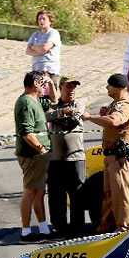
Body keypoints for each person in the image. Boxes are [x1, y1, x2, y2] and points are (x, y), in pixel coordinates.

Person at [81, 74, 129, 233]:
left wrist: (91, 117)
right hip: (112, 157)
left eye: (110, 85)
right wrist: (105, 113)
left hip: (119, 158)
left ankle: (123, 229)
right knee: (110, 196)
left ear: (118, 88)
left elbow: (115, 121)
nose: (107, 88)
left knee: (121, 196)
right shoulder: (117, 103)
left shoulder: (124, 106)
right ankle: (107, 228)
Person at [44, 77, 87, 238]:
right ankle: (59, 226)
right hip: (55, 158)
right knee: (56, 196)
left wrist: (56, 116)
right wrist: (61, 112)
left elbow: (73, 121)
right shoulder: (54, 105)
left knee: (77, 194)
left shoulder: (79, 104)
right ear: (60, 87)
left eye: (74, 87)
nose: (72, 90)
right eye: (68, 86)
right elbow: (44, 117)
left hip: (75, 157)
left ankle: (77, 228)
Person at [14, 71, 53, 242]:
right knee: (30, 192)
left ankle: (43, 228)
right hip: (33, 155)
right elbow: (26, 132)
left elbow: (54, 100)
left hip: (39, 155)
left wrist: (51, 83)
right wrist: (41, 149)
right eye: (43, 83)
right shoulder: (25, 103)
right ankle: (25, 231)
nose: (44, 86)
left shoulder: (36, 101)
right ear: (35, 83)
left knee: (39, 192)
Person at [25, 9, 62, 87]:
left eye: (44, 19)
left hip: (50, 70)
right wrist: (40, 51)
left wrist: (34, 47)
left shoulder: (53, 33)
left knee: (49, 96)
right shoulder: (35, 35)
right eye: (39, 19)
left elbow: (45, 48)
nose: (41, 21)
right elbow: (28, 51)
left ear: (50, 21)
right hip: (36, 70)